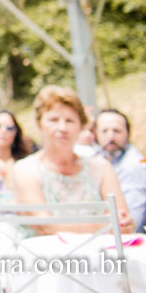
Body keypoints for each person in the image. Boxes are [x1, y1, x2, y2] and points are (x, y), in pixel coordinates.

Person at [11, 86, 133, 234]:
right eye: (54, 120)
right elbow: (45, 226)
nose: (62, 128)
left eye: (70, 121)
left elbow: (124, 224)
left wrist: (119, 224)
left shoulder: (102, 167)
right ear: (40, 123)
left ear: (81, 126)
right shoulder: (26, 169)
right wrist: (107, 225)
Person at [93, 108, 146, 232]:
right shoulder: (94, 157)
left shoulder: (135, 166)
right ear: (95, 134)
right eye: (104, 131)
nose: (111, 137)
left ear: (128, 134)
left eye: (117, 131)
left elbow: (131, 223)